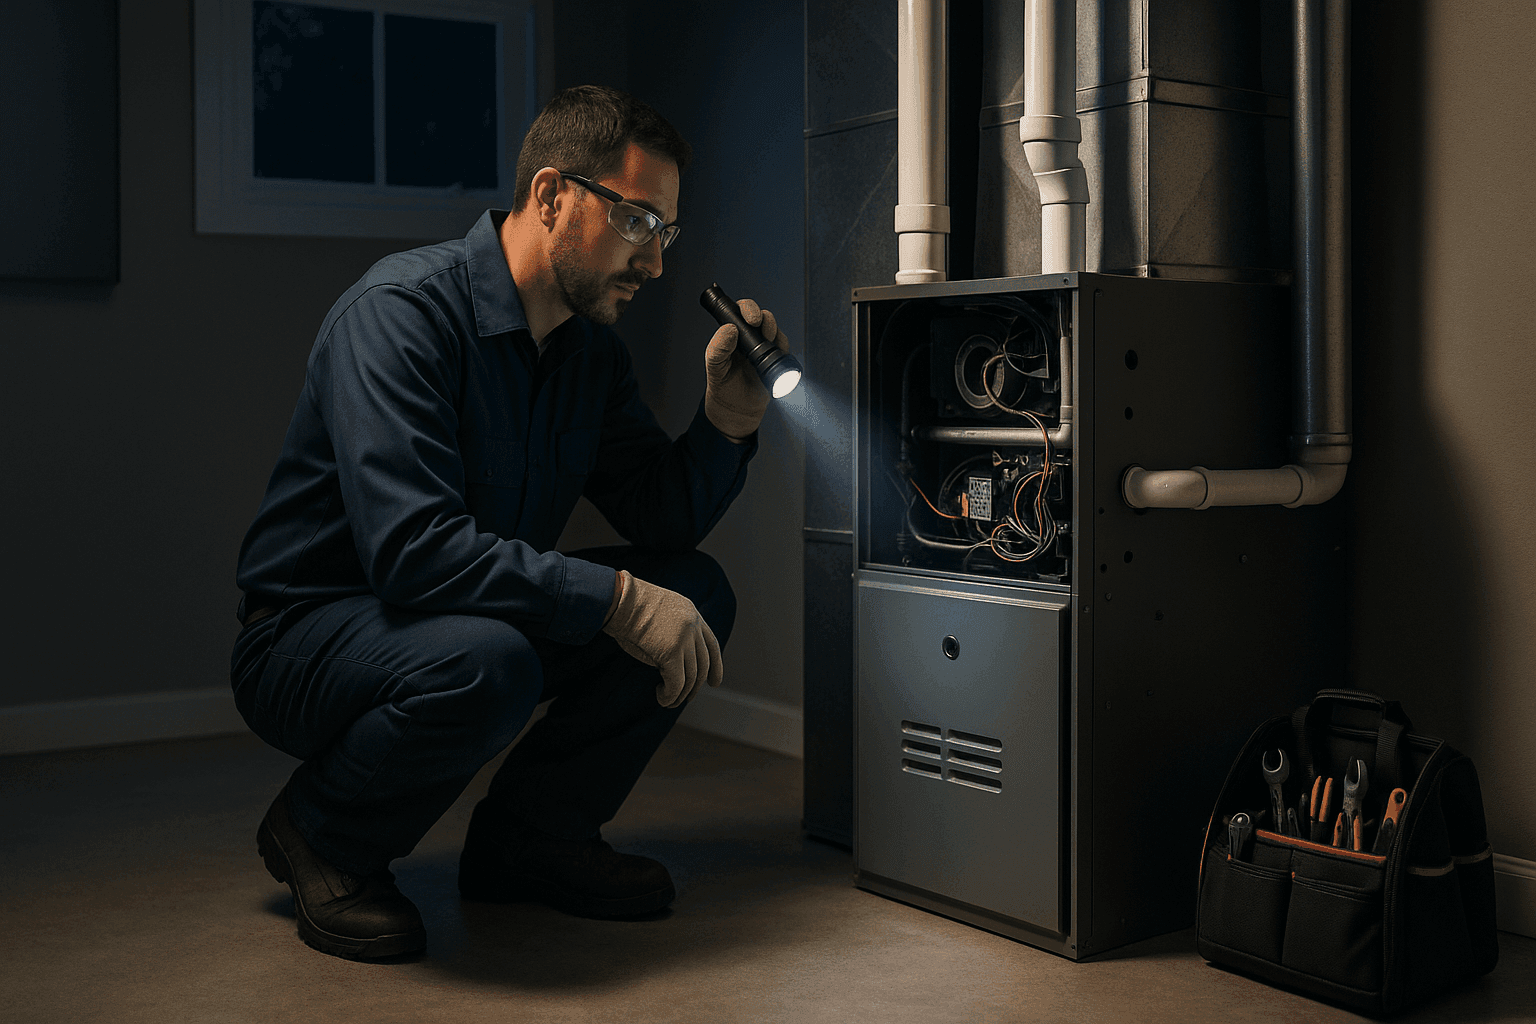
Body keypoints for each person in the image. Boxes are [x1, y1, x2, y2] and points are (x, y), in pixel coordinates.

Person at [230, 84, 788, 961]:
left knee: (694, 591)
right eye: (639, 223)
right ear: (552, 196)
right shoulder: (399, 317)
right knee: (493, 661)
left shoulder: (588, 354)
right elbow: (411, 554)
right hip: (308, 636)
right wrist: (614, 600)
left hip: (462, 619)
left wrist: (728, 420)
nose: (655, 264)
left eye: (665, 234)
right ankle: (323, 834)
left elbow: (662, 517)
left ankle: (534, 839)